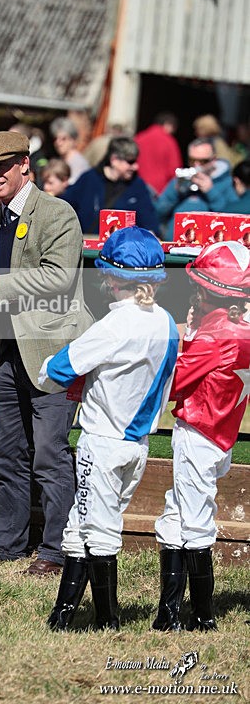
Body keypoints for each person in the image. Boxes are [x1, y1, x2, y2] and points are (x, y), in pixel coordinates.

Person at [0, 131, 93, 575]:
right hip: (7, 352)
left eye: (1, 168)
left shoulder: (58, 213)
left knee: (50, 454)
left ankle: (58, 550)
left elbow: (59, 278)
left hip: (52, 351)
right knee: (4, 451)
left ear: (24, 166)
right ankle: (6, 544)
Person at [40, 227, 178, 631]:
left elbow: (58, 369)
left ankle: (105, 621)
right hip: (138, 443)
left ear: (112, 277)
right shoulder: (166, 322)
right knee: (86, 524)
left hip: (102, 441)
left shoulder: (113, 325)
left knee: (96, 531)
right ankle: (61, 616)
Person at [153, 241, 250, 632]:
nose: (194, 291)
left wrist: (185, 336)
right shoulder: (240, 327)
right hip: (220, 431)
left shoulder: (215, 335)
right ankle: (169, 612)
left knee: (193, 522)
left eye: (201, 287)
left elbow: (175, 381)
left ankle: (203, 617)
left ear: (212, 293)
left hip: (199, 431)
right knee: (176, 514)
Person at [62, 136, 160, 235]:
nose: (135, 167)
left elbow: (149, 221)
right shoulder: (88, 179)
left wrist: (151, 235)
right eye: (130, 162)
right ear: (114, 159)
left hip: (122, 248)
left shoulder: (137, 185)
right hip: (89, 246)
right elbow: (66, 207)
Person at [155, 137, 235, 239]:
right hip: (173, 245)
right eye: (192, 160)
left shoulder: (226, 182)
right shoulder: (180, 179)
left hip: (206, 249)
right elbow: (159, 212)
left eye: (203, 161)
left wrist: (211, 192)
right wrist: (175, 192)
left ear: (214, 160)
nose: (196, 165)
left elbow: (233, 220)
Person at [134, 112, 183, 195]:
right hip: (160, 188)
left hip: (139, 184)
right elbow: (174, 169)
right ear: (168, 125)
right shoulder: (169, 141)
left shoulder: (138, 138)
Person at [49, 117, 89, 185]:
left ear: (73, 140)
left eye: (63, 139)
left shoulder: (79, 163)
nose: (58, 143)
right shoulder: (60, 160)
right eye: (56, 139)